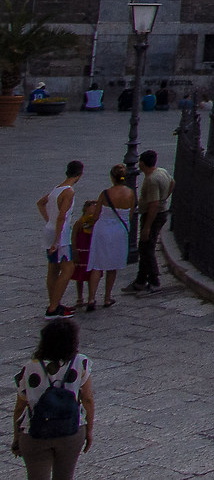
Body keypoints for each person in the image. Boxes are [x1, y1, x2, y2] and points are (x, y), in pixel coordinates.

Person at [11, 317, 95, 478]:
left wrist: (16, 438)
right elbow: (88, 399)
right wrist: (89, 430)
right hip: (72, 429)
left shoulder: (30, 367)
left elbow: (20, 406)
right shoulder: (80, 362)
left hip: (35, 432)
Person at [77, 172, 132, 311]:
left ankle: (91, 298)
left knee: (96, 264)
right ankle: (107, 298)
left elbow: (96, 215)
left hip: (102, 230)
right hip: (119, 231)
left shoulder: (105, 193)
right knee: (112, 266)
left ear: (112, 177)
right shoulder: (131, 193)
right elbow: (130, 215)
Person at [35, 164, 80, 320]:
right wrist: (56, 240)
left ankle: (54, 303)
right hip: (60, 233)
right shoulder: (69, 192)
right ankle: (53, 308)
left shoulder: (56, 189)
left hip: (50, 229)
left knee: (53, 268)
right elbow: (62, 216)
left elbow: (41, 203)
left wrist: (49, 220)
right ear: (79, 175)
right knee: (68, 268)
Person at [126, 153, 171, 296]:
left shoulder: (151, 179)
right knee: (144, 247)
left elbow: (153, 204)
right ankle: (140, 280)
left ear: (143, 163)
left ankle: (154, 280)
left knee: (147, 247)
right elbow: (173, 183)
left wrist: (146, 227)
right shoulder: (162, 171)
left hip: (153, 216)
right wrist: (165, 198)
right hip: (161, 212)